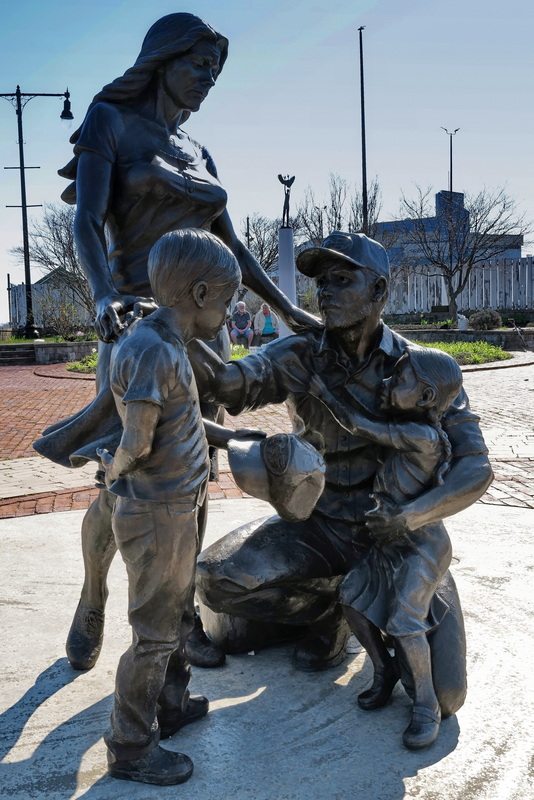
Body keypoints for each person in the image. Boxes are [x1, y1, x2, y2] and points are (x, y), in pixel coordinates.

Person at [33, 13, 318, 674]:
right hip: (133, 329)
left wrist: (290, 314)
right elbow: (85, 219)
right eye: (198, 66)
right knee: (121, 480)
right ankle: (94, 594)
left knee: (191, 482)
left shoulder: (201, 150)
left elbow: (235, 250)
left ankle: (179, 614)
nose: (206, 81)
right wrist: (103, 293)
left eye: (215, 74)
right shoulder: (111, 120)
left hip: (198, 336)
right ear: (163, 59)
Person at [189, 231, 493, 725]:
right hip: (320, 526)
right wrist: (172, 330)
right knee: (217, 582)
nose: (325, 291)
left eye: (341, 279)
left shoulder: (423, 369)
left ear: (378, 291)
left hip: (401, 541)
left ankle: (373, 603)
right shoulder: (299, 354)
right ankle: (331, 612)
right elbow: (229, 383)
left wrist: (411, 517)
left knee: (447, 694)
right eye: (321, 282)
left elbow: (476, 467)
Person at [98, 228, 263, 785]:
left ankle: (171, 704)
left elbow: (185, 421)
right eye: (228, 296)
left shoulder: (171, 346)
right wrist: (112, 469)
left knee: (177, 612)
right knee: (155, 630)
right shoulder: (149, 350)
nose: (232, 309)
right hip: (157, 511)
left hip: (181, 503)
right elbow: (138, 441)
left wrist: (237, 438)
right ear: (199, 295)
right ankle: (129, 744)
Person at [307, 346, 463, 749]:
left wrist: (322, 390)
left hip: (421, 544)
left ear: (426, 397)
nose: (389, 383)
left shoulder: (422, 436)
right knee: (351, 598)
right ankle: (384, 670)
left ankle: (426, 705)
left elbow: (360, 425)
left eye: (401, 378)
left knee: (405, 622)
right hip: (390, 542)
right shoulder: (407, 424)